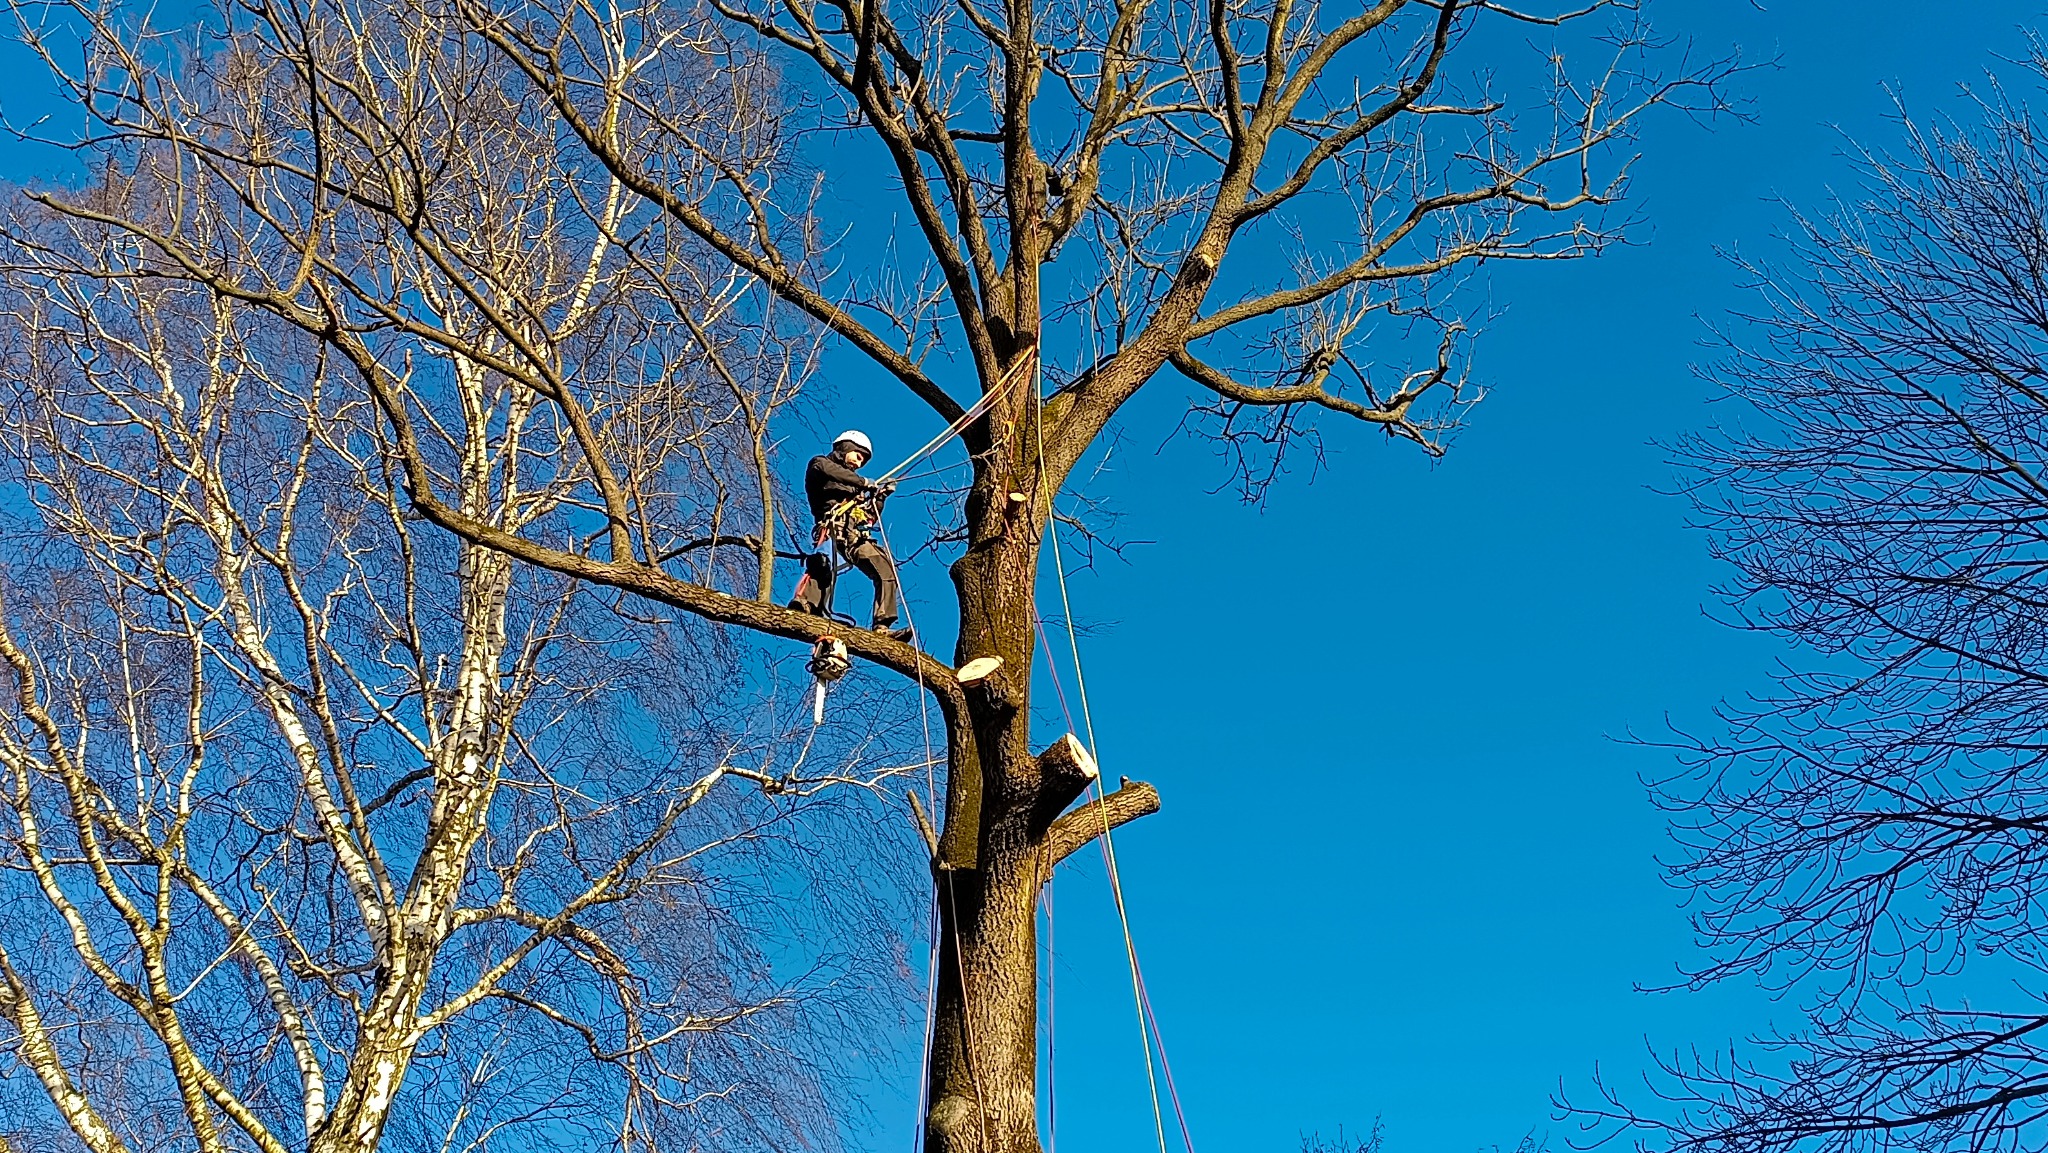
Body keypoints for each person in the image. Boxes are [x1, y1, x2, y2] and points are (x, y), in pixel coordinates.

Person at [789, 430, 912, 641]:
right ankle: (806, 605)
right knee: (823, 565)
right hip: (832, 530)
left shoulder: (855, 488)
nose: (859, 462)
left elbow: (868, 516)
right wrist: (863, 483)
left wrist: (879, 498)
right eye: (857, 455)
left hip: (855, 535)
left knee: (884, 567)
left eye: (863, 460)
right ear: (844, 447)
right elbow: (828, 470)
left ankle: (882, 626)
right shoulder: (820, 465)